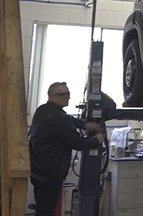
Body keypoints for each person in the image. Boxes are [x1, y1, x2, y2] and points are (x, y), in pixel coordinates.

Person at [29, 82, 104, 216]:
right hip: (51, 174)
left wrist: (84, 124)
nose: (67, 97)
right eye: (63, 94)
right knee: (46, 211)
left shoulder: (43, 110)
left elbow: (67, 119)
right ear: (52, 97)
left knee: (42, 207)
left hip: (38, 171)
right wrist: (97, 140)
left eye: (68, 94)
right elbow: (78, 143)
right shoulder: (58, 119)